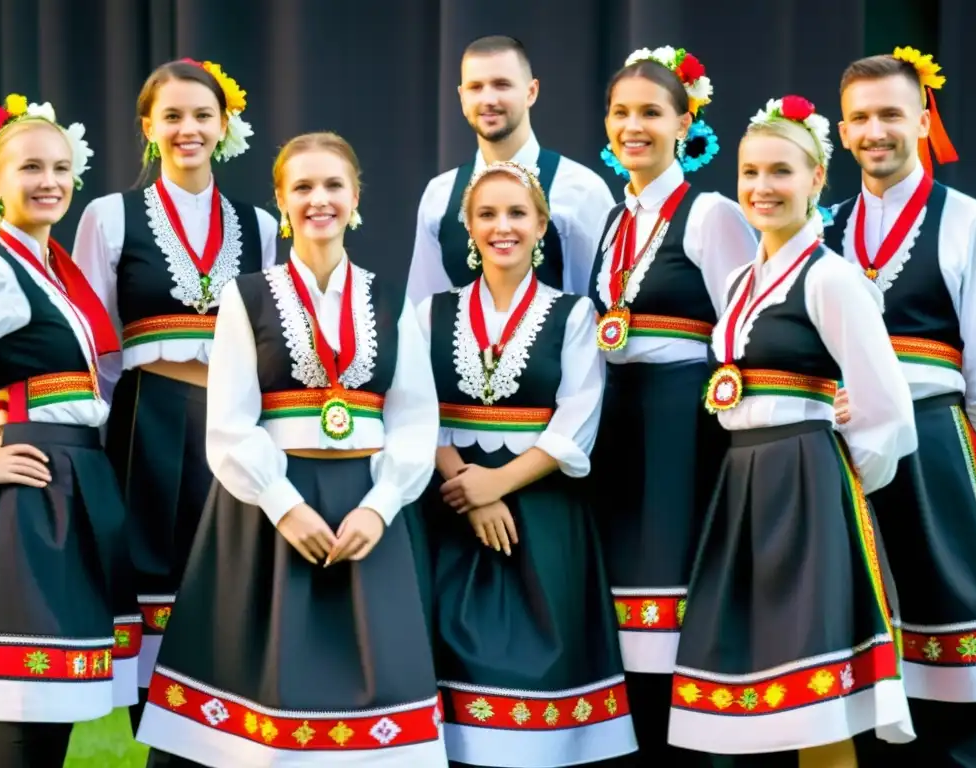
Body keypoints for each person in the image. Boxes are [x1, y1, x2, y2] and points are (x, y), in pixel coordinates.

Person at [136, 132, 446, 767]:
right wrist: (283, 504)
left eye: (333, 184)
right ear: (281, 199)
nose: (318, 199)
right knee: (258, 696)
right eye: (302, 187)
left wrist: (381, 505)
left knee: (373, 697)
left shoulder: (390, 301)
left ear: (356, 196)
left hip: (365, 511)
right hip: (266, 513)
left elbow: (415, 418)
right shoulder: (245, 297)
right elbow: (227, 420)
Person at [667, 95, 918, 765]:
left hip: (803, 485)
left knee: (817, 691)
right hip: (744, 480)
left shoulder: (831, 278)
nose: (762, 188)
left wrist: (831, 487)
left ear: (816, 179)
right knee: (765, 688)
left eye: (781, 171)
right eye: (750, 173)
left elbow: (888, 409)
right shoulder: (745, 279)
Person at [71, 58, 278, 727]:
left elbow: (269, 345)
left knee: (224, 576)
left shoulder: (262, 225)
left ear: (225, 125)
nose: (188, 129)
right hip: (146, 420)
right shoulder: (111, 216)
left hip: (229, 420)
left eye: (202, 115)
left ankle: (226, 732)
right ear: (148, 127)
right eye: (173, 116)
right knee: (152, 579)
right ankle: (160, 738)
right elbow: (91, 343)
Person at [417, 160, 636, 767]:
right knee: (454, 672)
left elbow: (578, 419)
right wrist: (468, 485)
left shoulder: (575, 314)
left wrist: (498, 485)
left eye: (517, 213)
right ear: (467, 226)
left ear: (542, 224)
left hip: (540, 515)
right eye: (486, 214)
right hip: (452, 513)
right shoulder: (429, 313)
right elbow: (414, 411)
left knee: (544, 680)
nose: (502, 226)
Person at [826, 48, 976, 768]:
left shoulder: (972, 224)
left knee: (955, 645)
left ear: (923, 120)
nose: (876, 131)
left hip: (938, 452)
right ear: (840, 131)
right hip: (840, 459)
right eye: (861, 117)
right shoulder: (822, 226)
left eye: (891, 114)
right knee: (869, 658)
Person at [590, 45, 757, 762]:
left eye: (651, 113)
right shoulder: (614, 218)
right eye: (622, 112)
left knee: (675, 614)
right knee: (624, 620)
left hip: (682, 427)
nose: (635, 126)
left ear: (684, 122)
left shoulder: (710, 213)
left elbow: (745, 329)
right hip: (616, 424)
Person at [0, 95, 139, 767]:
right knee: (27, 697)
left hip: (79, 478)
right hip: (38, 486)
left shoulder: (55, 273)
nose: (49, 182)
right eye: (30, 168)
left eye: (61, 169)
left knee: (62, 690)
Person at [406, 35, 614, 303]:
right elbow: (420, 312)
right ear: (461, 97)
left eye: (501, 85)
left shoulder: (581, 190)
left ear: (531, 92)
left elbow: (601, 306)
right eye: (476, 87)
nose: (488, 99)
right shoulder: (439, 195)